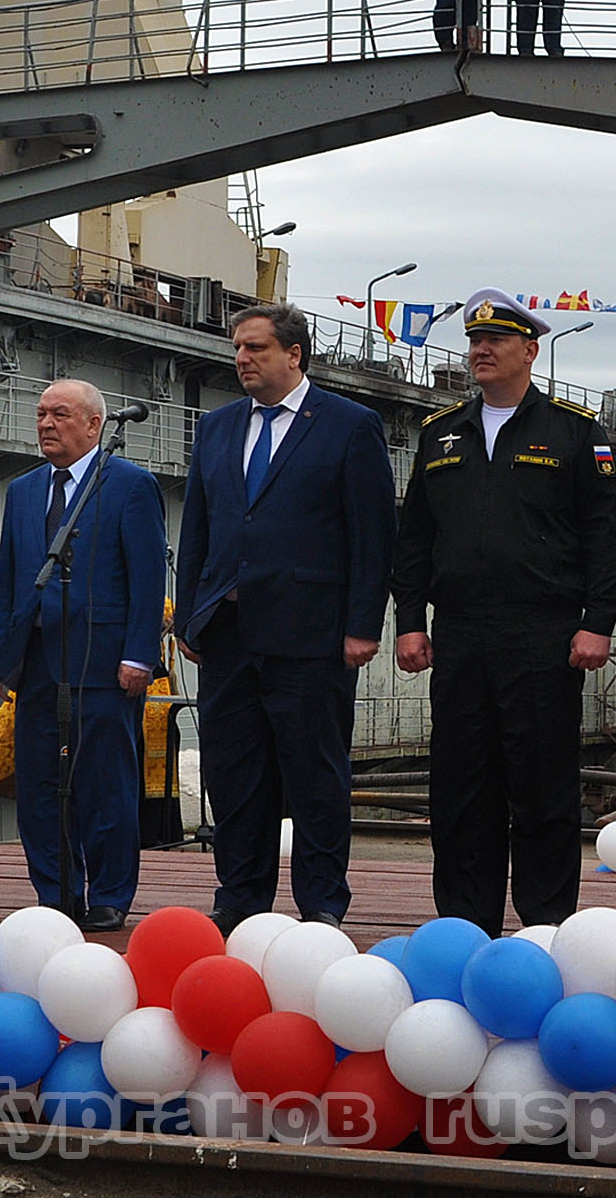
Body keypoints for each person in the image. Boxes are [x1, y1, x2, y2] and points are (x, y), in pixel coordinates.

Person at [392, 290, 616, 936]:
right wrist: (409, 619)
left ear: (529, 349)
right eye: (474, 342)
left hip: (542, 634)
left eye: (495, 341)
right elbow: (413, 538)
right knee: (461, 786)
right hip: (462, 633)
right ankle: (466, 924)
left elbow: (606, 537)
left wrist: (598, 620)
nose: (481, 350)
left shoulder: (575, 433)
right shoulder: (441, 433)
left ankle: (546, 924)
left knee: (543, 785)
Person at [175, 304, 395, 933]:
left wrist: (362, 624)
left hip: (311, 632)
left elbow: (372, 533)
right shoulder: (217, 428)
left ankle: (322, 901)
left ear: (294, 354)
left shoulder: (350, 426)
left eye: (256, 348)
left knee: (314, 772)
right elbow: (200, 527)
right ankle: (239, 895)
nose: (242, 358)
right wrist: (191, 614)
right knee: (233, 769)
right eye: (237, 348)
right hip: (227, 631)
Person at [0, 381, 167, 933]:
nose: (45, 424)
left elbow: (146, 576)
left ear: (94, 424)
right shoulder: (23, 490)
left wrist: (139, 653)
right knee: (40, 783)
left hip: (104, 658)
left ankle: (109, 894)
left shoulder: (131, 485)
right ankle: (56, 890)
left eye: (59, 414)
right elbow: (8, 577)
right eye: (40, 413)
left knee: (105, 781)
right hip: (37, 658)